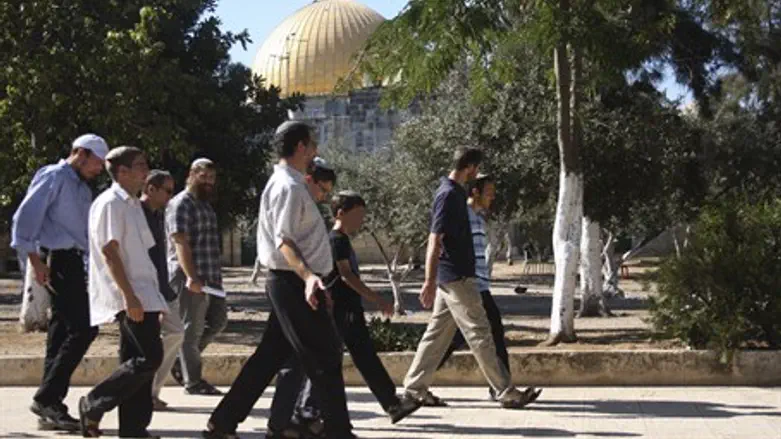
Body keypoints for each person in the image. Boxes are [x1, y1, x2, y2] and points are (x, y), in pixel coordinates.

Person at [203, 121, 355, 439]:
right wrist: (310, 278)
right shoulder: (288, 187)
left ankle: (222, 423)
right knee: (325, 353)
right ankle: (338, 431)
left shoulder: (291, 183)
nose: (315, 150)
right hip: (292, 282)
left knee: (269, 356)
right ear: (300, 146)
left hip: (292, 282)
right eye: (312, 144)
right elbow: (284, 240)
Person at [402, 147, 537, 409]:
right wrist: (428, 280)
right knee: (480, 333)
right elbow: (434, 239)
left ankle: (414, 388)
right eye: (476, 168)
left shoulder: (453, 193)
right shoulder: (449, 195)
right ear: (471, 167)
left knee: (437, 335)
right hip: (457, 278)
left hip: (452, 278)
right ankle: (505, 391)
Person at [11, 134, 108, 431]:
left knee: (61, 333)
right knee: (84, 328)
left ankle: (50, 406)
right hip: (59, 259)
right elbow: (25, 218)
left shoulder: (79, 184)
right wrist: (35, 260)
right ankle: (47, 397)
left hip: (75, 261)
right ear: (80, 153)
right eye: (96, 163)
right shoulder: (54, 177)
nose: (99, 170)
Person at [78, 146, 168, 438]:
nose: (146, 170)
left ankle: (133, 429)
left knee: (137, 362)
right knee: (149, 358)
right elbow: (110, 253)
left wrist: (155, 297)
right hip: (129, 294)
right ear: (122, 172)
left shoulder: (131, 205)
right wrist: (129, 296)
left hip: (144, 292)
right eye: (140, 166)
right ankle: (93, 403)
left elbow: (141, 254)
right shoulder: (110, 204)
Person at [435, 174, 541, 403]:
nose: (493, 196)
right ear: (475, 192)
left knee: (446, 339)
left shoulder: (476, 217)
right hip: (468, 285)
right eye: (489, 192)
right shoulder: (463, 214)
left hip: (473, 284)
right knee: (492, 334)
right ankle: (503, 390)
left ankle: (417, 386)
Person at [167, 158, 226, 395]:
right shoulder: (181, 203)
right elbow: (180, 242)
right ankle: (193, 381)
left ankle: (179, 362)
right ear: (192, 174)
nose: (209, 182)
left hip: (211, 276)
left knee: (218, 322)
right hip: (190, 276)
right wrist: (191, 276)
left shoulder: (204, 205)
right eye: (204, 176)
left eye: (212, 178)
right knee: (191, 330)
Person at [141, 170, 185, 410]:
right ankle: (144, 394)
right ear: (150, 189)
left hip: (162, 287)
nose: (171, 195)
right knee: (144, 348)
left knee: (176, 332)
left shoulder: (159, 215)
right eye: (167, 190)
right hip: (146, 290)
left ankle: (152, 391)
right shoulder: (137, 215)